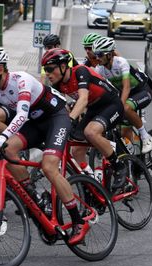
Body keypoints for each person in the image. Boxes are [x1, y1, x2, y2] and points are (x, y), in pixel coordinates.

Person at [0, 48, 88, 245]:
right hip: (35, 124)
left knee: (49, 166)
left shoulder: (22, 80)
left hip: (56, 118)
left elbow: (22, 115)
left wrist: (4, 136)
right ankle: (35, 197)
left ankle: (78, 220)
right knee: (7, 150)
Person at [41, 48, 128, 189]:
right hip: (94, 108)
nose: (48, 74)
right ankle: (91, 183)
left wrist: (69, 120)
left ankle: (119, 166)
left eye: (50, 69)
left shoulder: (80, 71)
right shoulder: (58, 83)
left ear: (63, 67)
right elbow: (56, 107)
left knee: (91, 132)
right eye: (46, 70)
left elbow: (83, 99)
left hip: (111, 104)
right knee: (75, 149)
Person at [92, 37, 152, 153]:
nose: (97, 58)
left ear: (109, 55)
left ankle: (146, 137)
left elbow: (126, 87)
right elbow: (99, 90)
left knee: (125, 108)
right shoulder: (99, 69)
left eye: (100, 55)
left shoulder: (120, 62)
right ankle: (133, 157)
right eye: (96, 55)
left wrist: (119, 105)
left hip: (142, 91)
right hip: (127, 95)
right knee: (124, 132)